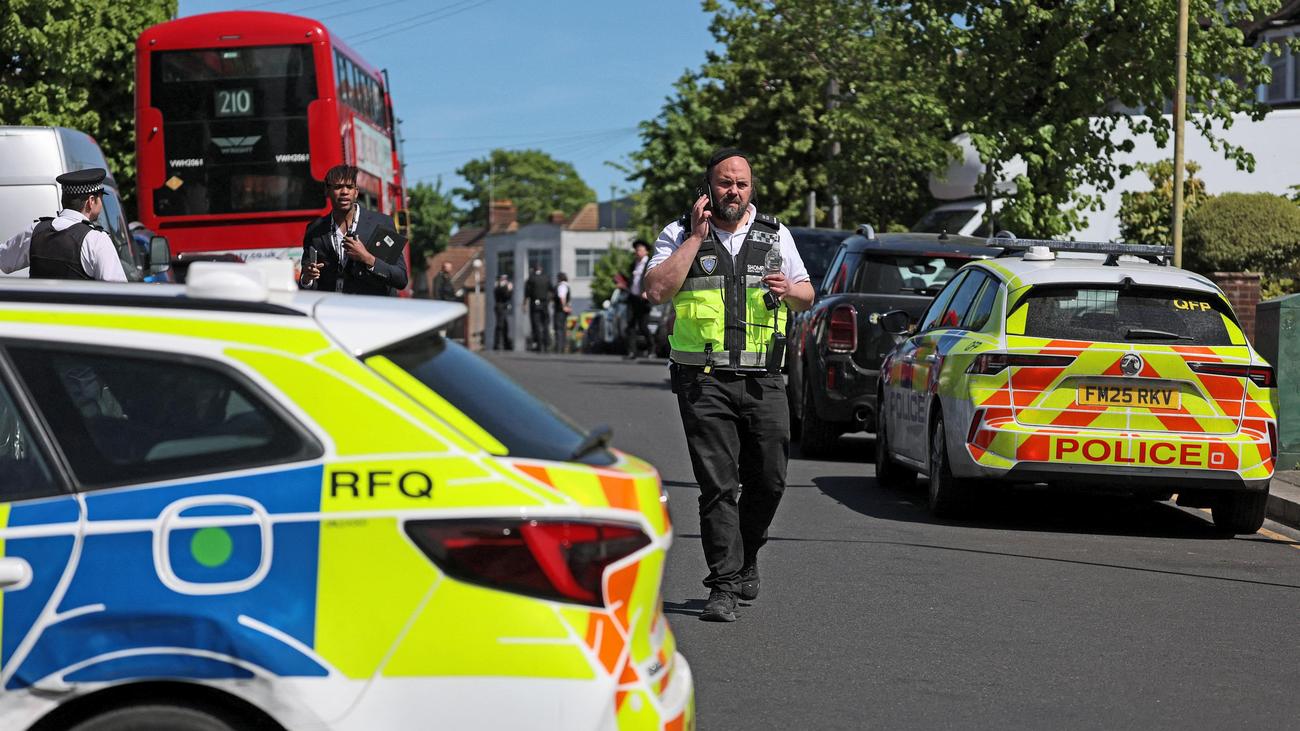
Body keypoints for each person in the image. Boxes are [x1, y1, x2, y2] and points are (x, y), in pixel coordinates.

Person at [644, 148, 814, 623]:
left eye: (741, 183)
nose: (733, 191)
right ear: (708, 187)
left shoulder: (776, 235)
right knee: (718, 486)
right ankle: (722, 586)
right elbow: (656, 290)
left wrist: (790, 291)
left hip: (765, 378)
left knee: (770, 479)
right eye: (724, 183)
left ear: (751, 188)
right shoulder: (678, 233)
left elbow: (807, 294)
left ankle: (745, 559)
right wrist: (696, 238)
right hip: (703, 381)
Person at [0, 168, 128, 281]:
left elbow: (3, 261)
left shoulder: (35, 231)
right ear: (91, 201)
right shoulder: (97, 240)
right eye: (100, 198)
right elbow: (119, 293)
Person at [299, 165, 408, 295]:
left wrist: (368, 258)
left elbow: (401, 279)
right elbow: (307, 282)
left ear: (356, 192)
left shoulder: (382, 223)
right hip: (334, 311)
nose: (344, 192)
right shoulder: (315, 229)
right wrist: (307, 278)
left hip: (375, 310)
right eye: (338, 187)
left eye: (349, 187)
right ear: (327, 191)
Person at [624, 239, 653, 359]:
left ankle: (651, 349)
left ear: (646, 251)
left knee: (643, 326)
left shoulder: (650, 263)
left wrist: (648, 292)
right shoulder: (633, 264)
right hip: (633, 298)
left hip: (644, 300)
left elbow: (653, 279)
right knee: (630, 325)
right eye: (636, 250)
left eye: (640, 249)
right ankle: (632, 352)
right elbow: (632, 280)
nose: (637, 252)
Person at [524, 265, 551, 352]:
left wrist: (524, 304)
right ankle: (546, 344)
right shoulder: (546, 278)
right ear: (541, 269)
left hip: (535, 304)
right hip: (545, 304)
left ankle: (539, 344)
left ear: (534, 270)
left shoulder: (531, 278)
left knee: (536, 324)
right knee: (545, 324)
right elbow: (551, 289)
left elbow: (527, 292)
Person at [552, 272, 571, 353]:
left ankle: (559, 348)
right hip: (563, 310)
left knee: (559, 329)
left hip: (560, 311)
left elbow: (562, 297)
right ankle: (562, 347)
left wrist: (563, 307)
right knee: (563, 328)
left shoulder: (562, 286)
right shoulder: (566, 285)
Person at [493, 273, 514, 349]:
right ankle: (497, 344)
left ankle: (505, 343)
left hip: (504, 307)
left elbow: (508, 297)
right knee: (500, 325)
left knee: (505, 325)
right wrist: (508, 289)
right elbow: (504, 295)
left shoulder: (501, 286)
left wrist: (510, 290)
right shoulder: (499, 286)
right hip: (500, 307)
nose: (504, 280)